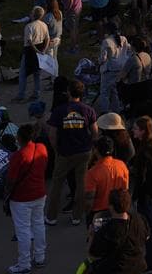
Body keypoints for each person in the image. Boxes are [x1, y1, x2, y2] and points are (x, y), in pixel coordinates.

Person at [45, 79, 98, 226]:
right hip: (84, 151)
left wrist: (56, 149)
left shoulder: (59, 110)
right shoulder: (88, 110)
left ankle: (51, 216)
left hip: (65, 152)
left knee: (57, 184)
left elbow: (52, 134)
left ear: (68, 92)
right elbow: (95, 132)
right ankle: (77, 216)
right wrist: (91, 147)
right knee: (81, 184)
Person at [5, 123, 49, 274]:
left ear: (19, 138)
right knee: (39, 224)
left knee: (23, 230)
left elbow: (11, 180)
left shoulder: (19, 156)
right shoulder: (41, 148)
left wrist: (6, 194)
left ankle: (24, 264)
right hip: (39, 193)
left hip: (21, 198)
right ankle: (40, 257)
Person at [129, 115, 152, 274]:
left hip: (147, 194)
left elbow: (142, 178)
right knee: (151, 226)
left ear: (143, 131)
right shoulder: (150, 145)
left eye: (136, 128)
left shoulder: (145, 151)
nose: (133, 131)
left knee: (148, 228)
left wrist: (134, 197)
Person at [86, 188, 149, 274]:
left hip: (117, 270)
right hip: (138, 266)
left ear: (111, 207)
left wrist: (91, 235)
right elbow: (147, 236)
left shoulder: (107, 231)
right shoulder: (139, 219)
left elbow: (92, 255)